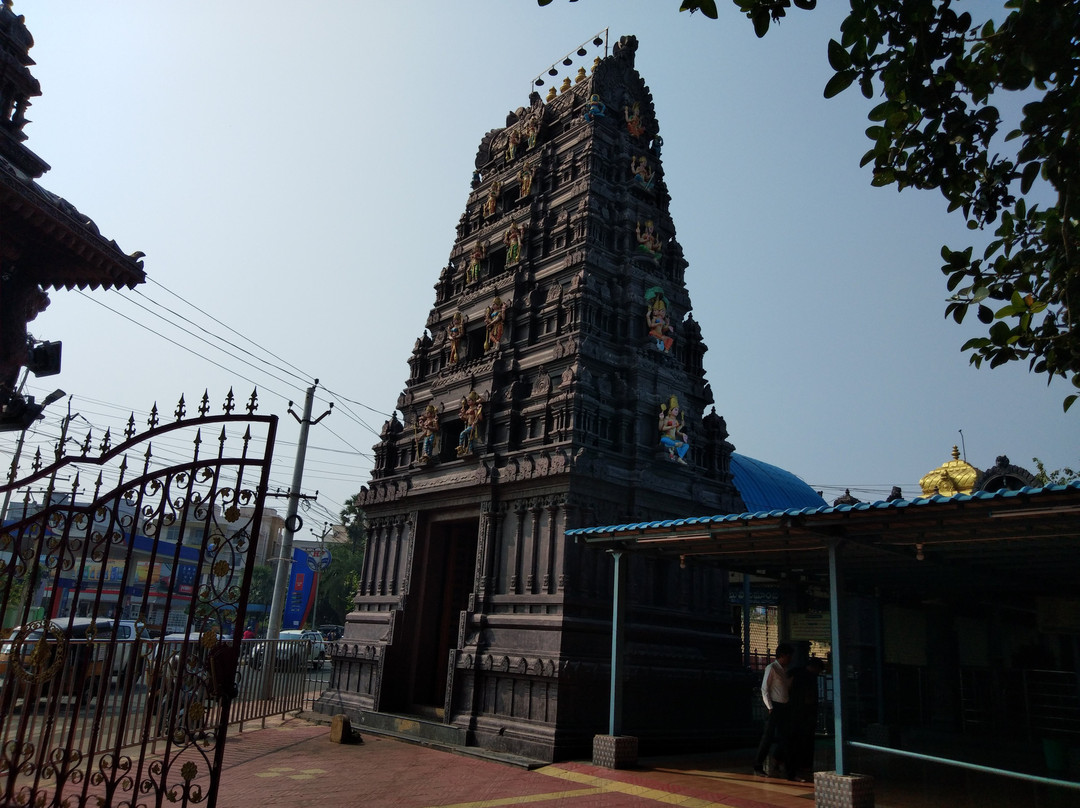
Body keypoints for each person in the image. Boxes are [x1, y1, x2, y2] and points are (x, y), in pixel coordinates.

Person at [753, 642, 794, 778]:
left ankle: (788, 768)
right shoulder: (772, 668)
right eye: (788, 656)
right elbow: (764, 689)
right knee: (767, 738)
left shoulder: (784, 669)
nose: (790, 659)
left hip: (784, 706)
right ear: (782, 655)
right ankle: (758, 766)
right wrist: (770, 707)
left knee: (785, 738)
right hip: (774, 707)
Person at [787, 656, 824, 782]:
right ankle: (801, 766)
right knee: (804, 740)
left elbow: (788, 686)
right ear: (816, 668)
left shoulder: (795, 672)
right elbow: (810, 697)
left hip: (793, 709)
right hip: (805, 713)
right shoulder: (810, 677)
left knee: (793, 740)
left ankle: (783, 762)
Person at [658, 395, 689, 464]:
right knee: (663, 440)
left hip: (674, 440)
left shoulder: (676, 421)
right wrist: (669, 426)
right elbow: (662, 428)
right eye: (675, 409)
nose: (677, 412)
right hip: (667, 438)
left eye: (677, 410)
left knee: (686, 445)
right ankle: (675, 444)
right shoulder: (667, 418)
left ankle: (680, 458)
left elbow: (677, 431)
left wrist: (682, 429)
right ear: (670, 410)